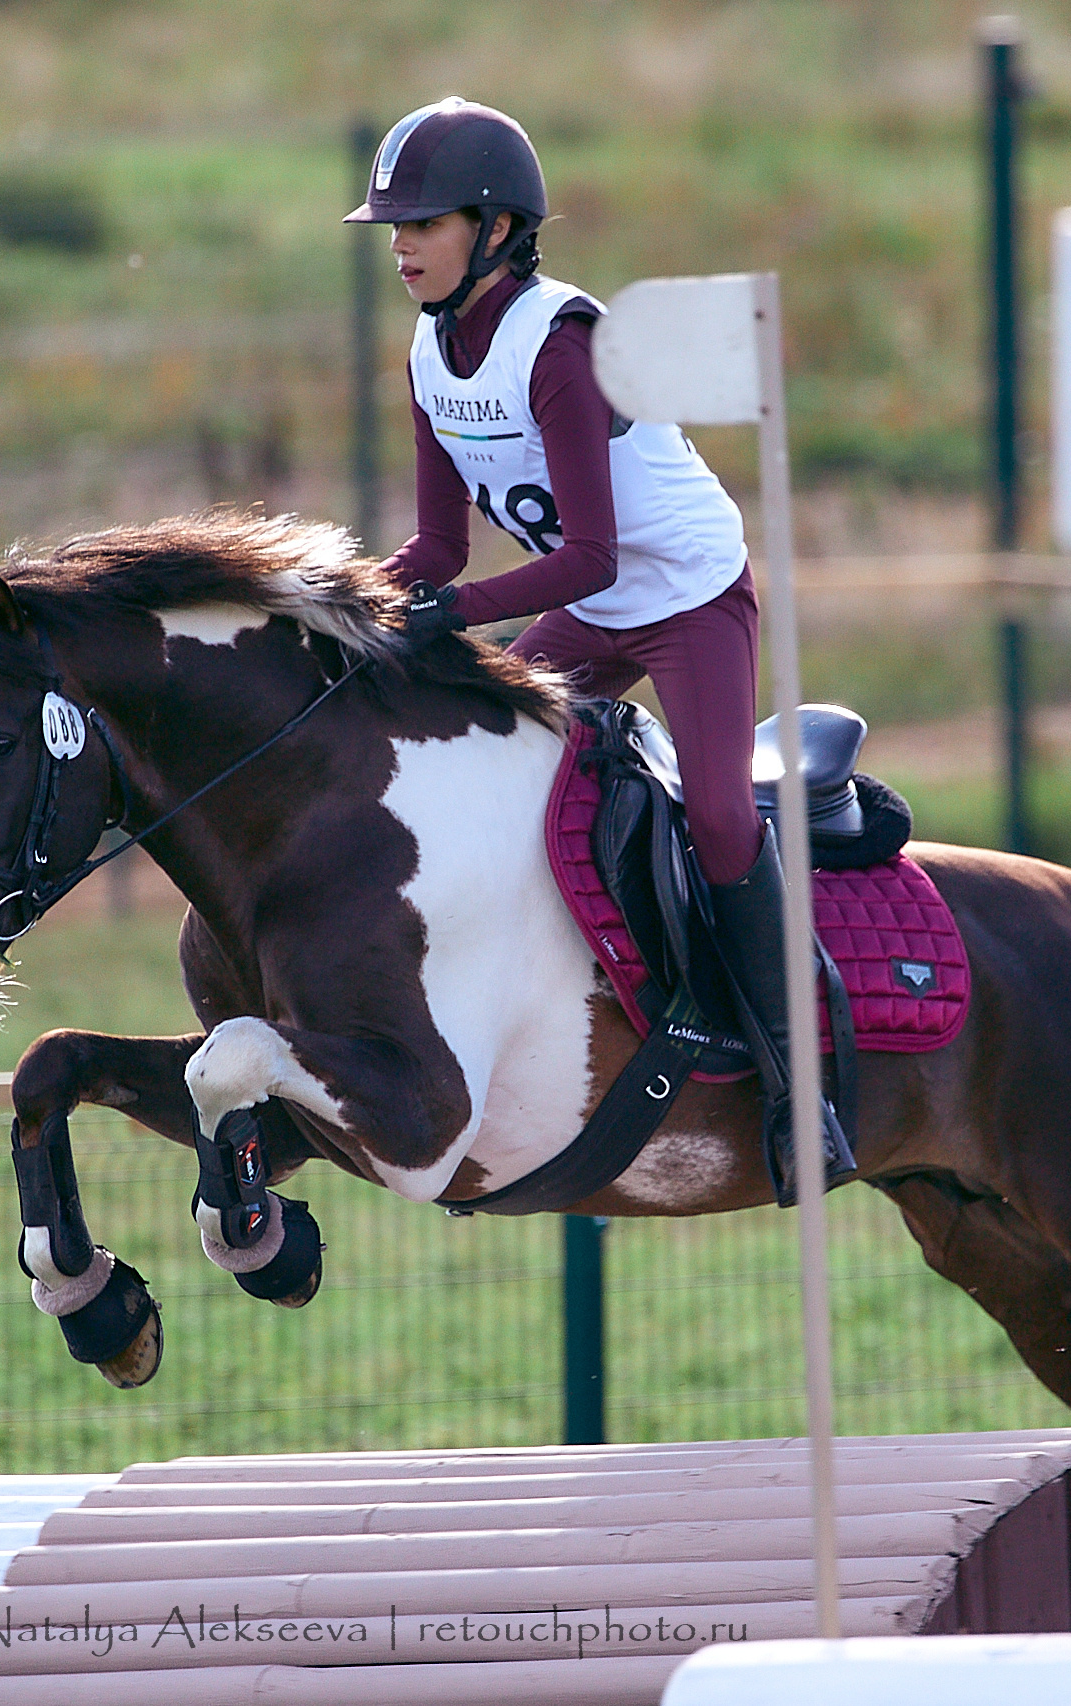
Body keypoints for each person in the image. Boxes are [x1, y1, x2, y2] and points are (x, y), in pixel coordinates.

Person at [347, 97, 855, 1195]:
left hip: (684, 597)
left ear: (492, 229)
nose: (399, 247)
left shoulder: (559, 349)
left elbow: (589, 555)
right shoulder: (430, 356)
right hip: (595, 599)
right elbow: (437, 543)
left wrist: (460, 610)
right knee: (497, 764)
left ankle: (798, 1077)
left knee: (721, 815)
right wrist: (345, 603)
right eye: (392, 227)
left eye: (420, 224)